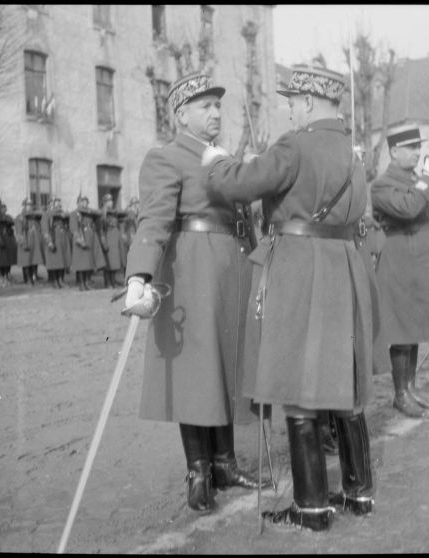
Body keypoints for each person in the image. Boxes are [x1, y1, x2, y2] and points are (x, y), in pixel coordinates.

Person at [202, 64, 376, 531]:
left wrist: (215, 161)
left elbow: (237, 184)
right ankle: (359, 493)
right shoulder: (353, 153)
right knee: (342, 379)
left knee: (300, 384)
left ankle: (312, 507)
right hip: (344, 264)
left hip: (301, 266)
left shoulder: (295, 145)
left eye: (294, 101)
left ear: (311, 102)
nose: (290, 109)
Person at [123, 72, 267, 515]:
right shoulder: (167, 157)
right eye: (206, 106)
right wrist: (139, 276)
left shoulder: (224, 156)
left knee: (226, 366)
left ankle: (226, 463)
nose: (216, 113)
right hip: (192, 271)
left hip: (233, 269)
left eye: (218, 106)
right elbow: (154, 220)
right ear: (182, 113)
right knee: (195, 373)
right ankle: (198, 469)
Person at [371, 125, 429, 418]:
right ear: (394, 151)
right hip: (398, 262)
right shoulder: (383, 184)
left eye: (418, 146)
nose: (417, 152)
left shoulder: (415, 179)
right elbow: (408, 208)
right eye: (410, 147)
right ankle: (400, 393)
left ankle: (410, 389)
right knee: (401, 330)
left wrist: (425, 182)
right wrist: (427, 181)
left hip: (417, 264)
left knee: (414, 328)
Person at [69, 195, 106, 291]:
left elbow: (98, 216)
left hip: (90, 239)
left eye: (86, 202)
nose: (85, 203)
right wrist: (79, 240)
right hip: (81, 240)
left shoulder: (89, 213)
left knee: (88, 263)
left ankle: (86, 282)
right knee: (81, 264)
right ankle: (81, 284)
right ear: (78, 203)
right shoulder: (74, 214)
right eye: (82, 201)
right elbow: (73, 228)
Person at [42, 197, 71, 288]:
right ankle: (55, 281)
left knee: (62, 261)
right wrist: (49, 242)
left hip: (63, 240)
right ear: (52, 205)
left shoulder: (63, 214)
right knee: (54, 262)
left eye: (59, 204)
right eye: (56, 204)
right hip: (54, 239)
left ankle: (61, 280)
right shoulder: (46, 215)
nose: (58, 205)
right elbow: (45, 230)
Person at [14, 198, 44, 285]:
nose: (30, 207)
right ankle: (27, 279)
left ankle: (32, 277)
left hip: (34, 242)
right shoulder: (20, 217)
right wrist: (23, 244)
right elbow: (19, 232)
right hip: (25, 241)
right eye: (28, 205)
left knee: (32, 260)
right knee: (25, 261)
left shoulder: (34, 217)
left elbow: (38, 228)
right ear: (24, 206)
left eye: (31, 205)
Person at [99, 193, 125, 288]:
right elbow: (101, 229)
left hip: (115, 238)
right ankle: (107, 282)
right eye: (109, 201)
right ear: (105, 202)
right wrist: (103, 241)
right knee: (108, 262)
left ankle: (113, 281)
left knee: (115, 261)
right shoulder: (102, 213)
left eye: (111, 200)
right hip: (108, 237)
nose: (111, 202)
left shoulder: (114, 212)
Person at [0, 201, 17, 287]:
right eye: (2, 208)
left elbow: (12, 223)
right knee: (0, 262)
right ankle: (1, 279)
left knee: (8, 261)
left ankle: (7, 275)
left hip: (9, 241)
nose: (4, 209)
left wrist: (10, 227)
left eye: (5, 207)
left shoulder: (8, 217)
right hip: (0, 242)